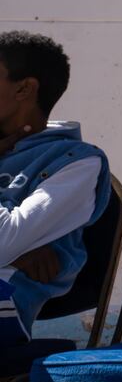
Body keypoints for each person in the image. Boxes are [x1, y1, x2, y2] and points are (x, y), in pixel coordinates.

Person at [0, 30, 111, 347]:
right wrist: (18, 253)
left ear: (25, 88)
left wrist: (12, 251)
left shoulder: (76, 163)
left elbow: (4, 242)